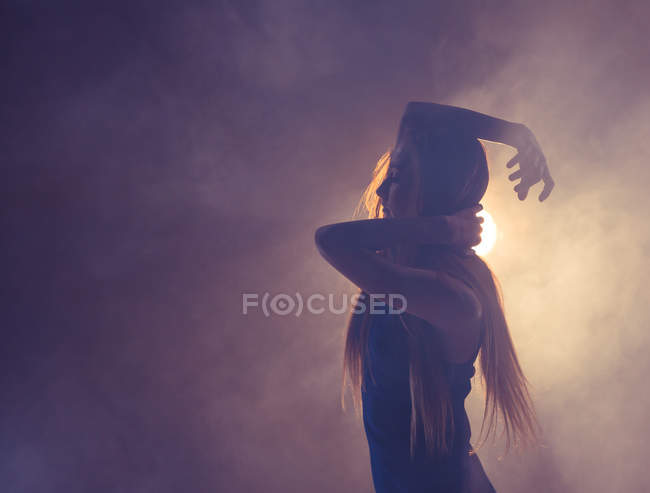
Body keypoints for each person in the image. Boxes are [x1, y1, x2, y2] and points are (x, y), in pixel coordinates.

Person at [314, 101, 554, 492]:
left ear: (433, 195)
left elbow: (329, 240)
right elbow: (413, 115)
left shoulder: (452, 296)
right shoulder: (401, 276)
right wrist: (516, 133)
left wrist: (438, 229)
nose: (380, 190)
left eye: (396, 178)